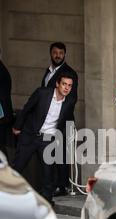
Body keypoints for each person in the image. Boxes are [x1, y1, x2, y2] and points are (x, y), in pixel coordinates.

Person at [12, 73, 75, 205]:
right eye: (64, 84)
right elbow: (27, 108)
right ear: (57, 84)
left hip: (48, 139)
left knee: (48, 171)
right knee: (18, 165)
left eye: (69, 85)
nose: (66, 88)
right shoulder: (42, 93)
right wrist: (17, 126)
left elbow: (66, 120)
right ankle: (6, 192)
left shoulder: (69, 101)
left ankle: (46, 200)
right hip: (30, 134)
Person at [41, 42, 78, 197]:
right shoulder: (48, 71)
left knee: (61, 154)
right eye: (55, 52)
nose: (58, 55)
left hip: (63, 119)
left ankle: (62, 186)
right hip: (48, 119)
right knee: (52, 152)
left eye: (61, 53)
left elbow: (72, 98)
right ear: (51, 53)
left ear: (65, 54)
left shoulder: (70, 73)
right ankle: (52, 184)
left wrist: (58, 118)